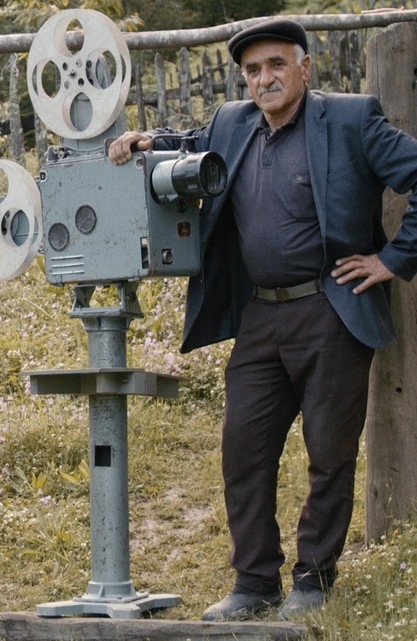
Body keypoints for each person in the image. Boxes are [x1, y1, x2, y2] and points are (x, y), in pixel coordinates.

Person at [109, 19, 417, 621]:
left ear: (304, 67)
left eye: (276, 65)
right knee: (243, 452)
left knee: (329, 454)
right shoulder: (233, 122)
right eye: (252, 70)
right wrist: (145, 141)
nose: (264, 79)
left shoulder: (351, 120)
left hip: (331, 310)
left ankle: (314, 580)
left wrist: (392, 259)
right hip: (259, 316)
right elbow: (191, 143)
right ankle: (254, 583)